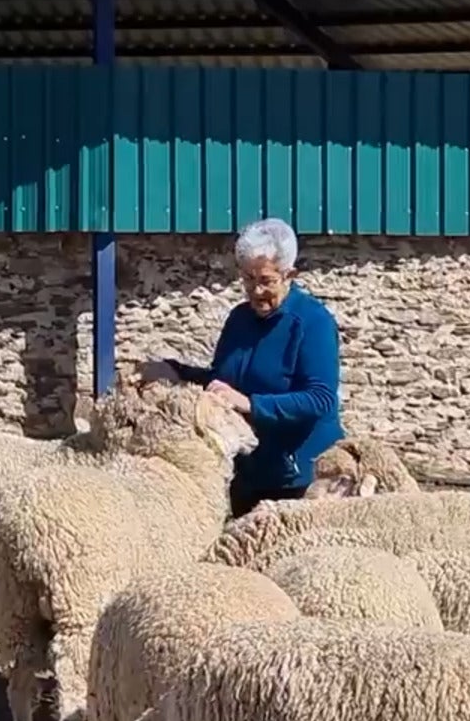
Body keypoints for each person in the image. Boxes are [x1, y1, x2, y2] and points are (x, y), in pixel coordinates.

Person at [141, 217, 344, 517]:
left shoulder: (312, 323)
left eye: (266, 280)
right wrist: (174, 372)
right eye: (248, 279)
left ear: (290, 274)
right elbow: (222, 382)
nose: (256, 291)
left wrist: (251, 404)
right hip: (247, 472)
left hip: (299, 478)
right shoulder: (240, 319)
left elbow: (320, 398)